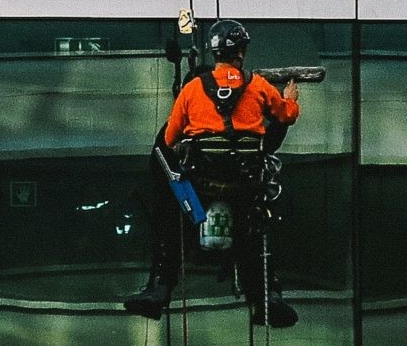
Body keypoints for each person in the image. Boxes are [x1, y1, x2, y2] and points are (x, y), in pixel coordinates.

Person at [124, 17, 301, 327]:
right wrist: (291, 100)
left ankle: (160, 289)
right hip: (244, 188)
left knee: (172, 225)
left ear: (214, 53)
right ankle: (267, 297)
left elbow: (168, 139)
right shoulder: (259, 86)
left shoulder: (192, 90)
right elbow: (286, 116)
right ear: (241, 52)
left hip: (201, 187)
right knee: (255, 234)